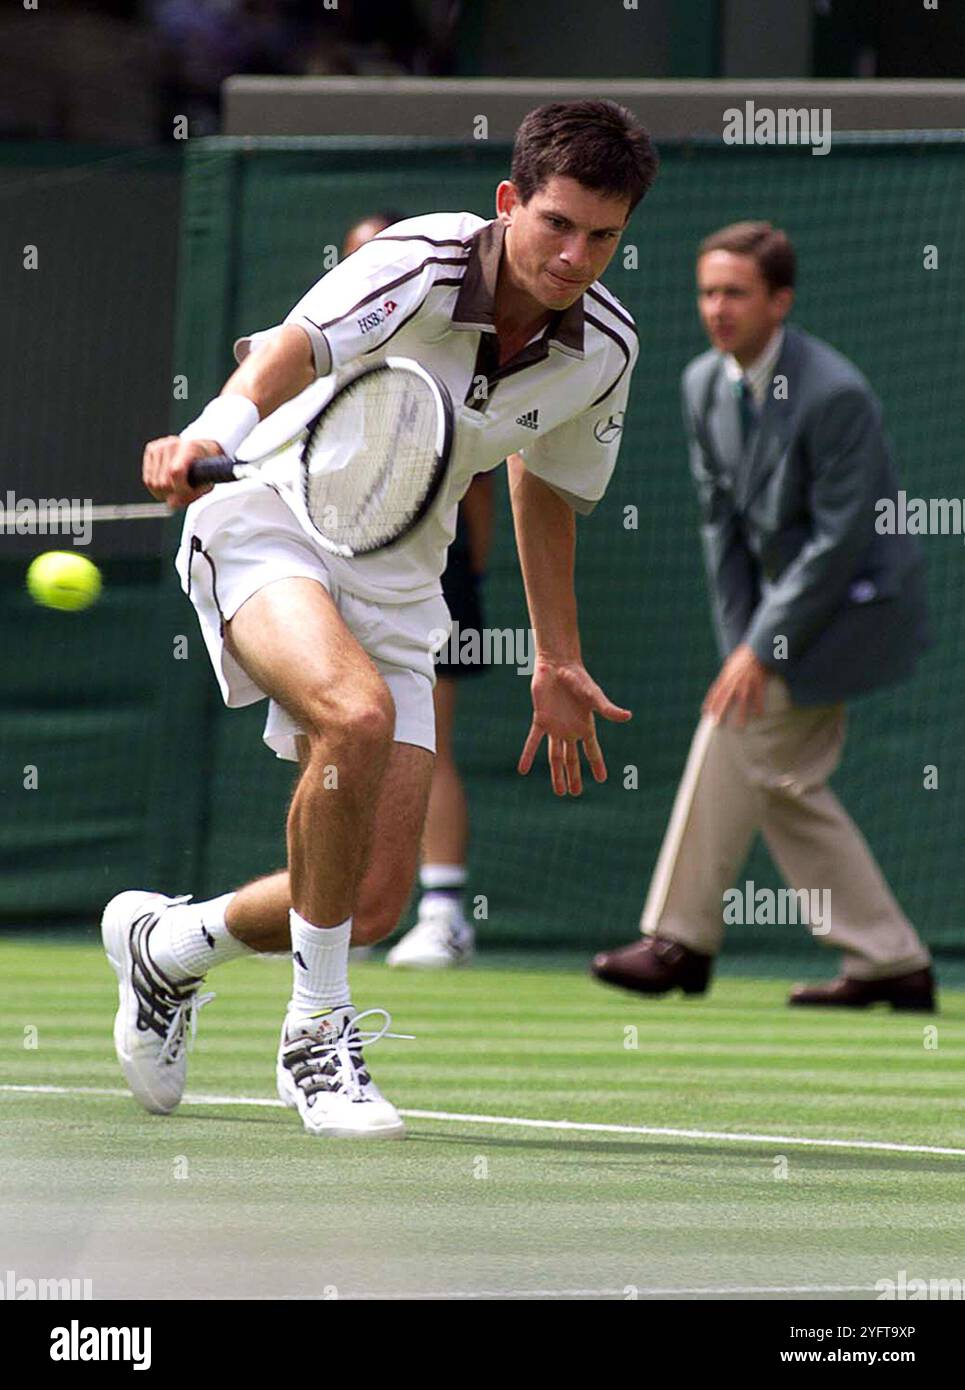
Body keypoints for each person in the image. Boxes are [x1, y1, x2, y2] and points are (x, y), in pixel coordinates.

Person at [103, 100, 658, 1139]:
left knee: (370, 902)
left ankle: (167, 947)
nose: (576, 254)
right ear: (509, 203)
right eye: (556, 223)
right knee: (352, 719)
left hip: (404, 578)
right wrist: (207, 429)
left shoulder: (604, 348)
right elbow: (293, 351)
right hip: (270, 519)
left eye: (602, 235)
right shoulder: (417, 259)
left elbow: (547, 488)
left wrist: (558, 655)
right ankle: (317, 1040)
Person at [592, 221, 935, 1012]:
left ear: (779, 301)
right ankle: (891, 961)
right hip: (783, 617)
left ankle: (677, 941)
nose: (716, 309)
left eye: (735, 294)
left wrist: (760, 649)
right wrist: (739, 647)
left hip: (851, 610)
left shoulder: (835, 393)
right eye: (707, 292)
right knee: (784, 783)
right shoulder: (699, 385)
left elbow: (839, 542)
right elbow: (722, 533)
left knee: (732, 733)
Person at [342, 210, 495, 970]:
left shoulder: (454, 359)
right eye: (362, 263)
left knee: (420, 735)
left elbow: (483, 495)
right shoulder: (333, 353)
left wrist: (464, 576)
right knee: (338, 733)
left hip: (432, 570)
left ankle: (440, 914)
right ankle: (332, 904)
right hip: (333, 556)